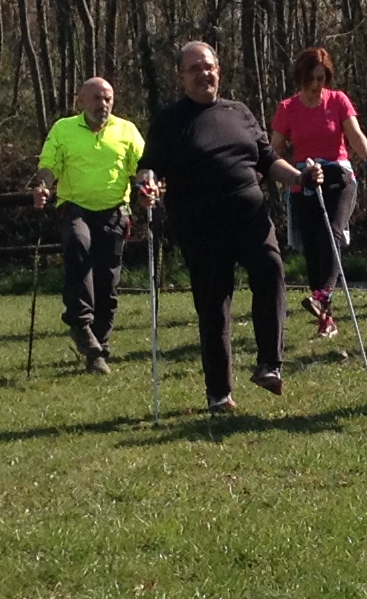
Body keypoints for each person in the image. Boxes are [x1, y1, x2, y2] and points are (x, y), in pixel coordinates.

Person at [139, 39, 305, 413]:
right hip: (200, 224)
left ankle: (269, 364)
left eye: (209, 66)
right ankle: (219, 394)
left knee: (271, 268)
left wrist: (300, 178)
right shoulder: (169, 121)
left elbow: (268, 160)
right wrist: (145, 186)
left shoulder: (239, 112)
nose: (204, 74)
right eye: (195, 69)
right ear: (181, 78)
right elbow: (149, 168)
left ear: (219, 70)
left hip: (249, 214)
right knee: (214, 304)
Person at [33, 75, 143, 375]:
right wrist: (43, 186)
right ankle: (81, 324)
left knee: (108, 281)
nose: (102, 104)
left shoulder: (127, 130)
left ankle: (98, 351)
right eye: (96, 98)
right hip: (75, 208)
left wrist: (146, 185)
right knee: (78, 246)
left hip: (114, 212)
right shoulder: (64, 129)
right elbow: (48, 165)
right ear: (80, 101)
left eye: (107, 99)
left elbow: (142, 166)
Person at [270, 48, 367, 341]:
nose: (316, 85)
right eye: (311, 79)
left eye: (321, 78)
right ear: (301, 78)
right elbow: (275, 149)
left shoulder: (338, 100)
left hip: (339, 177)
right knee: (313, 249)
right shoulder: (287, 108)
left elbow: (355, 135)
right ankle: (326, 320)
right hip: (305, 180)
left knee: (332, 231)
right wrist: (266, 171)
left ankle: (322, 295)